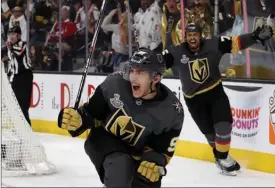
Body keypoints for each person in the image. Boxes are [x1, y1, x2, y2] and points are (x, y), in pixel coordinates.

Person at [57, 48, 184, 188]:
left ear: (156, 78)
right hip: (104, 140)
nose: (133, 77)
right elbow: (90, 113)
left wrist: (153, 163)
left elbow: (161, 150)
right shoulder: (114, 84)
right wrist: (77, 120)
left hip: (138, 153)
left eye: (140, 72)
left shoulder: (171, 110)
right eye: (132, 70)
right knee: (120, 167)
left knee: (148, 178)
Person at [162, 23, 274, 176]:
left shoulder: (213, 44)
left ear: (200, 35)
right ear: (185, 37)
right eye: (189, 35)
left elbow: (236, 43)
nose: (192, 38)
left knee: (224, 126)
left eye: (195, 35)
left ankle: (222, 157)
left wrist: (254, 36)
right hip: (194, 101)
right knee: (211, 137)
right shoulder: (175, 51)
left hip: (215, 92)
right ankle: (221, 157)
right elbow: (158, 63)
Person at [5, 25, 33, 126]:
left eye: (13, 34)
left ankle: (27, 131)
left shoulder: (22, 44)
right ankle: (21, 129)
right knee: (16, 106)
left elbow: (19, 52)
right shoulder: (10, 47)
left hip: (24, 77)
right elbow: (11, 62)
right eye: (9, 34)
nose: (11, 36)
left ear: (19, 35)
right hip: (16, 78)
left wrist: (9, 47)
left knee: (22, 106)